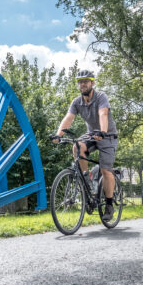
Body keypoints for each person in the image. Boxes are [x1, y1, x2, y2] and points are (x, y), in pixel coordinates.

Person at [52, 70, 119, 222]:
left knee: (105, 170)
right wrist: (58, 135)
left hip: (107, 136)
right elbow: (68, 118)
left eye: (86, 81)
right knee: (77, 146)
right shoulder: (77, 102)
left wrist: (102, 132)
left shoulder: (101, 97)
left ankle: (109, 205)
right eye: (80, 82)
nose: (82, 84)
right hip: (91, 135)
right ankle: (87, 180)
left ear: (92, 83)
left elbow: (103, 114)